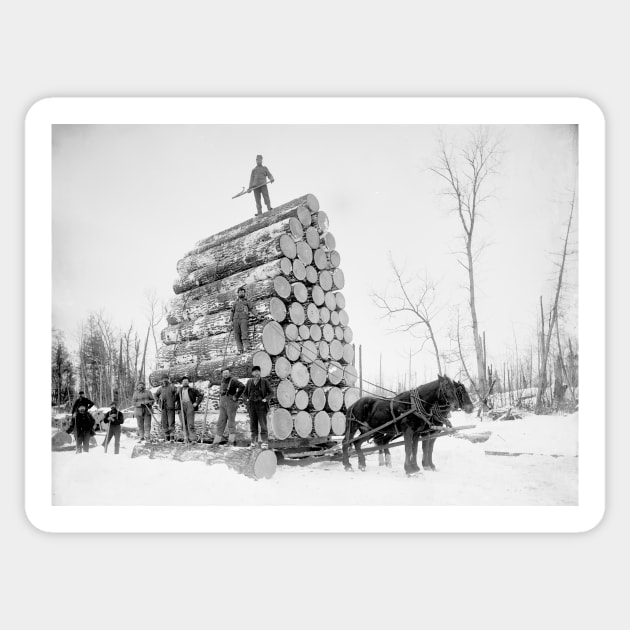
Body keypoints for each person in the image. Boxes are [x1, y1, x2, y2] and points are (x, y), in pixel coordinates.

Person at [213, 368, 245, 446]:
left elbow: (242, 386)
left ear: (229, 373)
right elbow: (218, 382)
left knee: (231, 422)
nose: (225, 374)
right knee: (220, 422)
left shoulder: (233, 380)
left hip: (231, 402)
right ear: (222, 374)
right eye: (224, 373)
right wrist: (212, 383)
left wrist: (236, 396)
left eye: (227, 373)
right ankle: (216, 442)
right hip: (223, 402)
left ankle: (231, 441)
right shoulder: (223, 380)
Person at [242, 366, 272, 448]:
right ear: (252, 373)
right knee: (253, 424)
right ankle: (254, 442)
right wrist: (247, 400)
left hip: (261, 405)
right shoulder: (249, 382)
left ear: (260, 373)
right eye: (255, 372)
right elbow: (244, 393)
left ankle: (264, 442)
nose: (256, 373)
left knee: (263, 424)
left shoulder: (264, 382)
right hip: (251, 405)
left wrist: (266, 399)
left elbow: (271, 392)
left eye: (258, 371)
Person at [176, 376, 203, 442]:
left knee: (190, 423)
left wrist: (196, 403)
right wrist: (177, 392)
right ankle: (186, 438)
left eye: (186, 381)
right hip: (181, 407)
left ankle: (193, 439)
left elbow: (200, 395)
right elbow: (174, 399)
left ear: (188, 382)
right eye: (184, 381)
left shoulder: (192, 390)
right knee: (183, 424)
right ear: (182, 382)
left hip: (190, 406)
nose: (185, 382)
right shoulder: (179, 390)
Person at [154, 376, 179, 441]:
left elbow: (177, 391)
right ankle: (167, 437)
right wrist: (158, 401)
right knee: (164, 422)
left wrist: (174, 399)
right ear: (161, 381)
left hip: (170, 407)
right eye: (163, 379)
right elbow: (156, 395)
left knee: (171, 422)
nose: (164, 381)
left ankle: (172, 438)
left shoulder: (171, 387)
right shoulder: (160, 388)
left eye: (166, 379)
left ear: (168, 380)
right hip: (163, 407)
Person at [231, 286, 254, 354]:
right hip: (235, 320)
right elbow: (232, 311)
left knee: (244, 333)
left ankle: (247, 347)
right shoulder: (235, 303)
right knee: (237, 335)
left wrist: (257, 315)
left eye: (243, 292)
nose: (241, 293)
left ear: (244, 293)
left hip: (244, 319)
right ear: (238, 293)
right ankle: (240, 349)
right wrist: (230, 320)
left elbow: (252, 309)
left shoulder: (247, 302)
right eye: (240, 292)